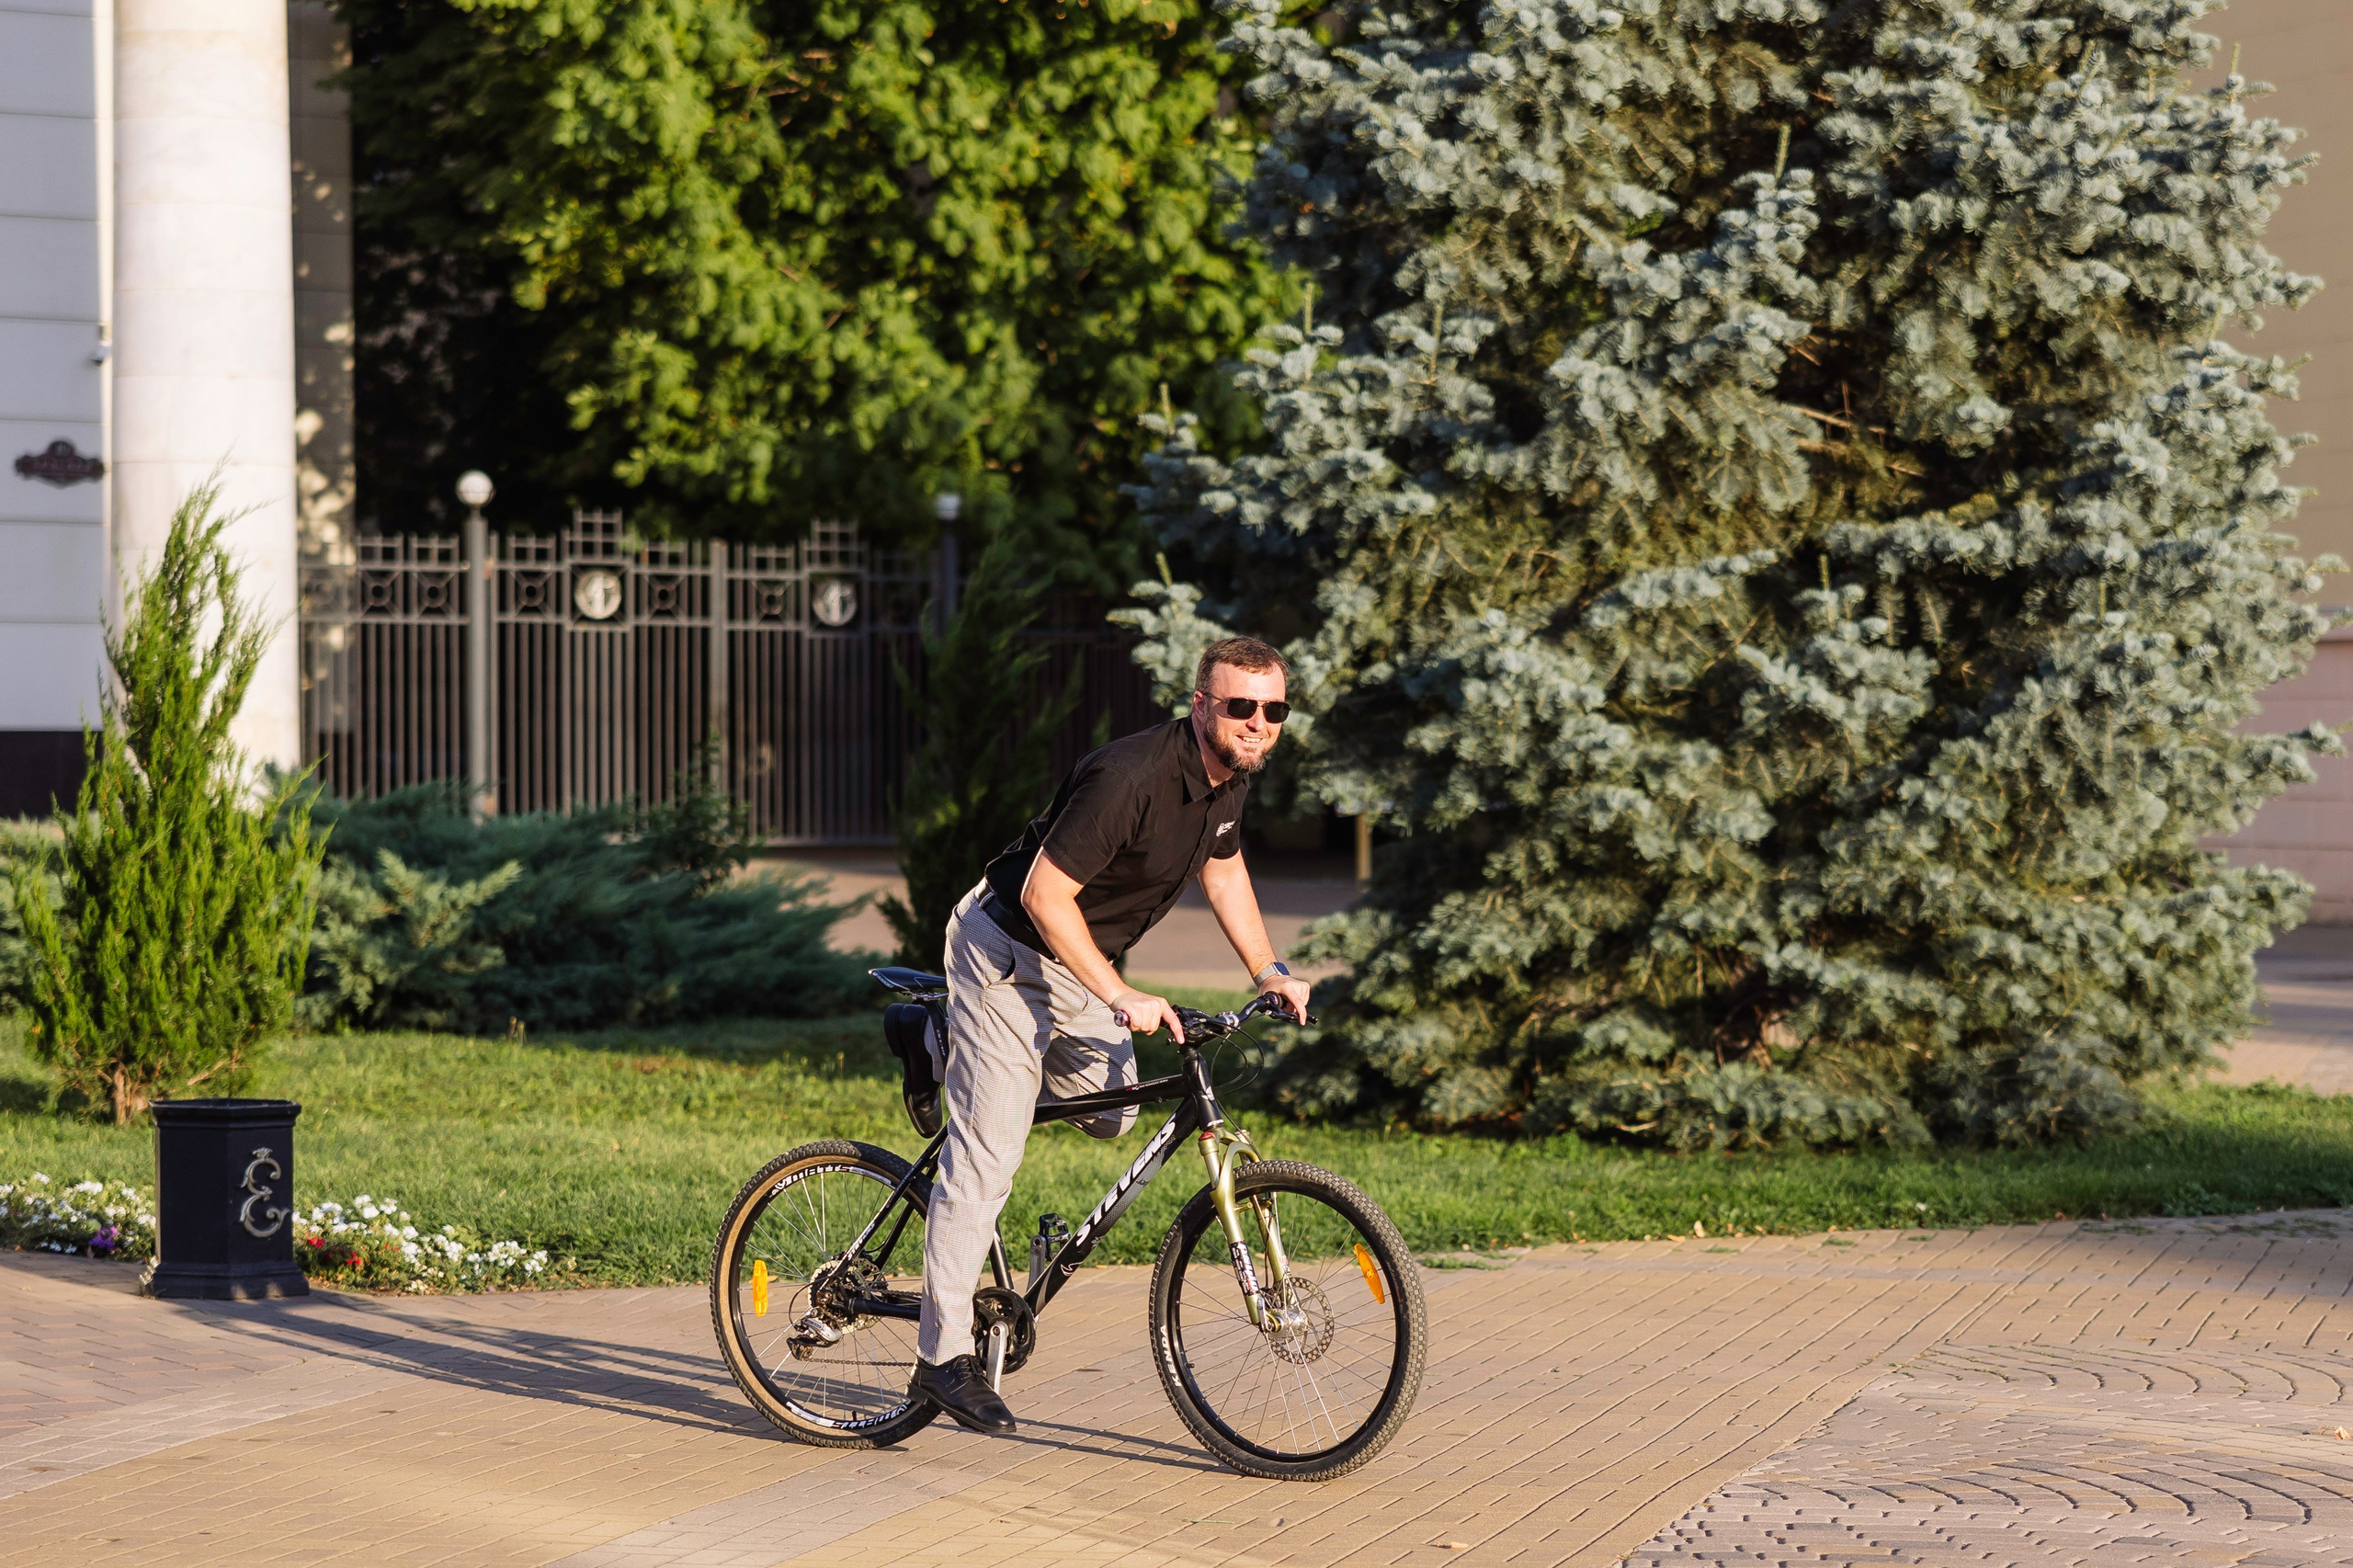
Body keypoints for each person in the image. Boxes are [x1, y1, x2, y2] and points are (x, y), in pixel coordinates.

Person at [909, 635, 1313, 1434]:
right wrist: (1121, 990)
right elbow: (1045, 893)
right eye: (1240, 707)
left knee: (1114, 1112)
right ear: (1202, 705)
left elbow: (1224, 870)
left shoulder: (1230, 777)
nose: (1257, 723)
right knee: (988, 1157)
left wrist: (1268, 971)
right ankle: (941, 1359)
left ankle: (953, 1053)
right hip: (1008, 951)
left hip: (1079, 961)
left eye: (1273, 710)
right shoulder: (1130, 777)